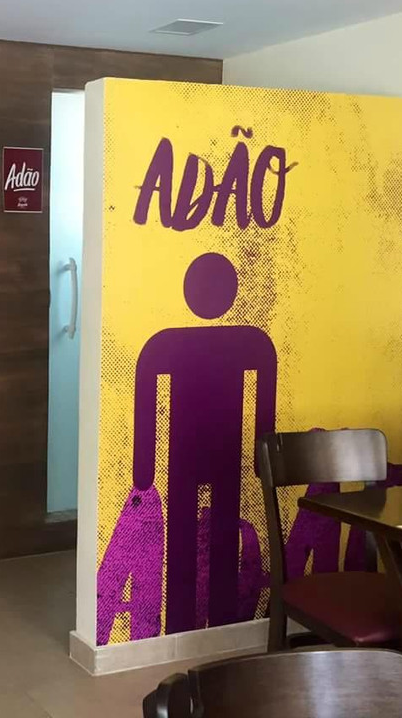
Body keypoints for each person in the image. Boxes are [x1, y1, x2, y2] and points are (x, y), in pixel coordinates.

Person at [133, 252, 276, 633]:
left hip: (204, 454)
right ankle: (197, 620)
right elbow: (146, 389)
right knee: (200, 533)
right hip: (211, 454)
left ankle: (199, 621)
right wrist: (263, 460)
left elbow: (146, 389)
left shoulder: (167, 343)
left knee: (209, 533)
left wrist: (144, 468)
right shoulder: (250, 341)